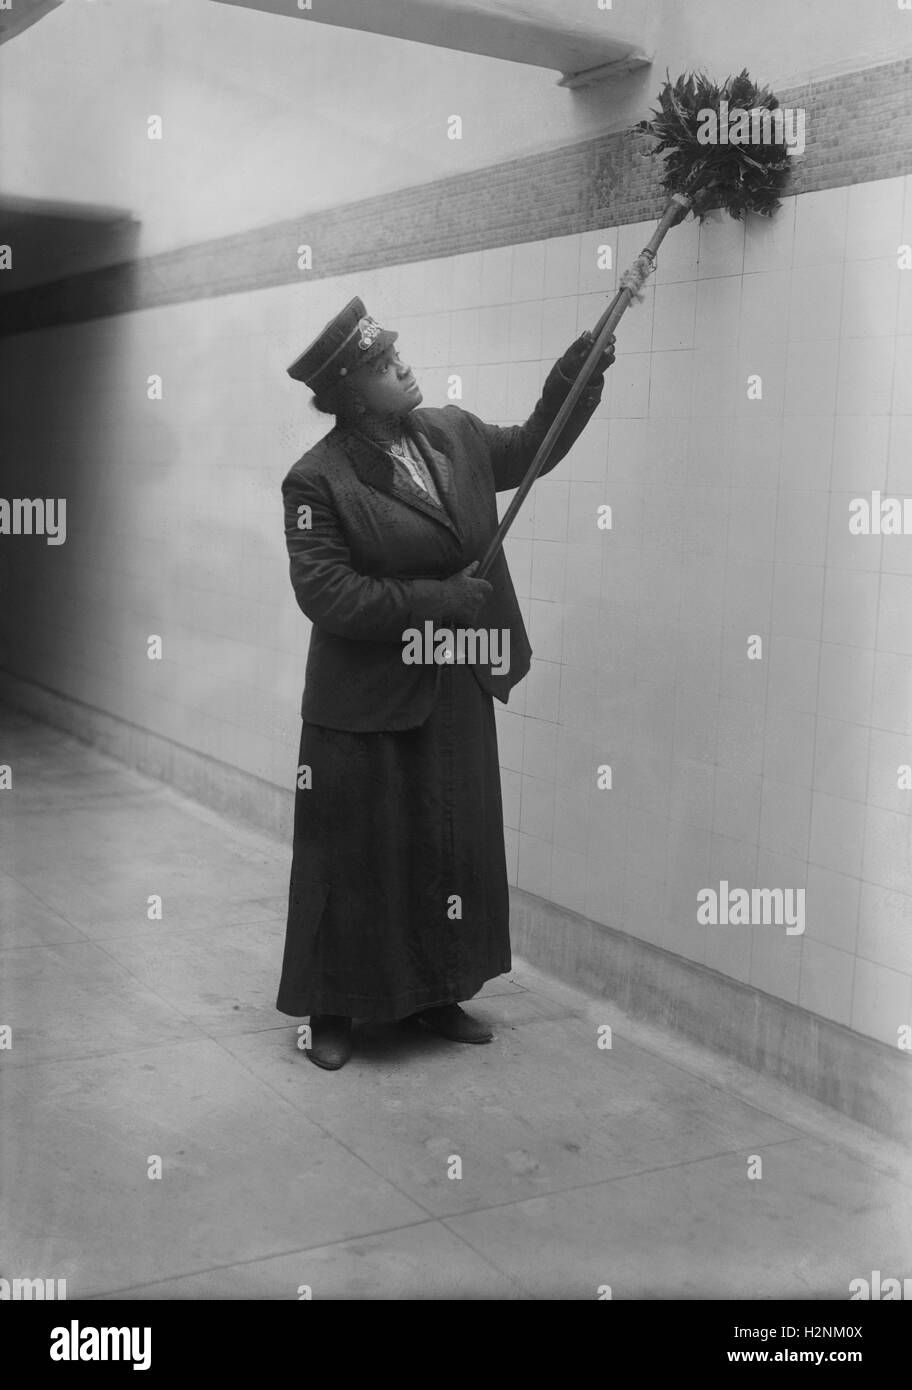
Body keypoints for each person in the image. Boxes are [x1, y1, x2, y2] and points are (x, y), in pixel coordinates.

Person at [276, 295, 615, 1069]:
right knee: (353, 857)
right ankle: (332, 1010)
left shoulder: (453, 435)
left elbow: (533, 446)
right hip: (363, 704)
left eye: (398, 350)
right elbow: (326, 593)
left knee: (442, 847)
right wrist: (440, 600)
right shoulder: (317, 482)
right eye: (383, 362)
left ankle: (434, 992)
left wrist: (579, 369)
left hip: (450, 693)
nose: (403, 363)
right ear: (353, 389)